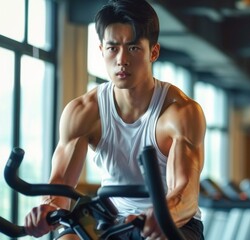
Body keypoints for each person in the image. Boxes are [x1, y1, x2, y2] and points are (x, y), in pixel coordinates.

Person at [23, 0, 206, 239]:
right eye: (112, 48)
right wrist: (49, 209)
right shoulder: (84, 111)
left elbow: (186, 192)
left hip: (173, 222)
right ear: (101, 50)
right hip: (110, 218)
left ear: (153, 52)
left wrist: (162, 215)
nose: (121, 59)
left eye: (133, 48)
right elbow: (60, 183)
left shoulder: (180, 113)